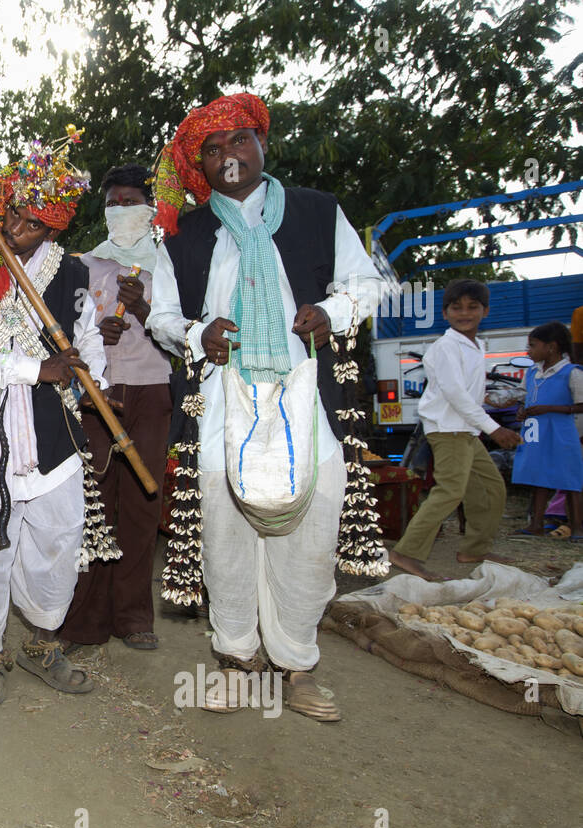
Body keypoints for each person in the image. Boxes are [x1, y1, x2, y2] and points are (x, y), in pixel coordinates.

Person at [148, 92, 385, 721]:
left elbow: (366, 285)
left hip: (307, 391)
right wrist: (199, 333)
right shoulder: (184, 233)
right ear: (201, 165)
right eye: (214, 149)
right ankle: (236, 660)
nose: (229, 155)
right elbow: (165, 317)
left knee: (313, 522)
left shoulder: (316, 211)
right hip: (223, 398)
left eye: (239, 140)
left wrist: (330, 313)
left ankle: (297, 663)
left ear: (261, 143)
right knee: (225, 530)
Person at [0, 133, 109, 705]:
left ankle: (41, 643)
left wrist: (90, 380)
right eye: (9, 216)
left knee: (58, 536)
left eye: (29, 225)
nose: (12, 230)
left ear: (51, 230)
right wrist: (37, 370)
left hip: (54, 431)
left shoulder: (75, 273)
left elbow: (87, 348)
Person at [56, 162, 172, 653]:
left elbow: (185, 332)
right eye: (113, 203)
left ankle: (134, 616)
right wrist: (98, 337)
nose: (122, 211)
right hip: (97, 393)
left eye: (131, 202)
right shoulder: (86, 264)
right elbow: (71, 326)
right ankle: (85, 619)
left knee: (143, 506)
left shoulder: (168, 262)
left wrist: (144, 311)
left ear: (149, 207)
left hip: (150, 388)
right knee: (95, 502)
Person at [388, 279, 521, 578]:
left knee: (491, 488)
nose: (464, 313)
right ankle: (404, 552)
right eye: (456, 307)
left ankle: (474, 548)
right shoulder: (446, 346)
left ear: (485, 311)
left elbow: (467, 391)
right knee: (449, 492)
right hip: (448, 430)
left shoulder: (475, 345)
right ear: (445, 313)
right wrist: (494, 428)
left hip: (466, 431)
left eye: (472, 307)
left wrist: (487, 406)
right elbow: (454, 393)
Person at [509, 321, 583, 538]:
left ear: (551, 347)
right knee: (538, 476)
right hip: (537, 431)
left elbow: (581, 404)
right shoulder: (532, 373)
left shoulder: (572, 372)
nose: (528, 351)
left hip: (562, 432)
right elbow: (525, 397)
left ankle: (577, 527)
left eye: (532, 345)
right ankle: (536, 525)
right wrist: (522, 410)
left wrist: (549, 408)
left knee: (570, 478)